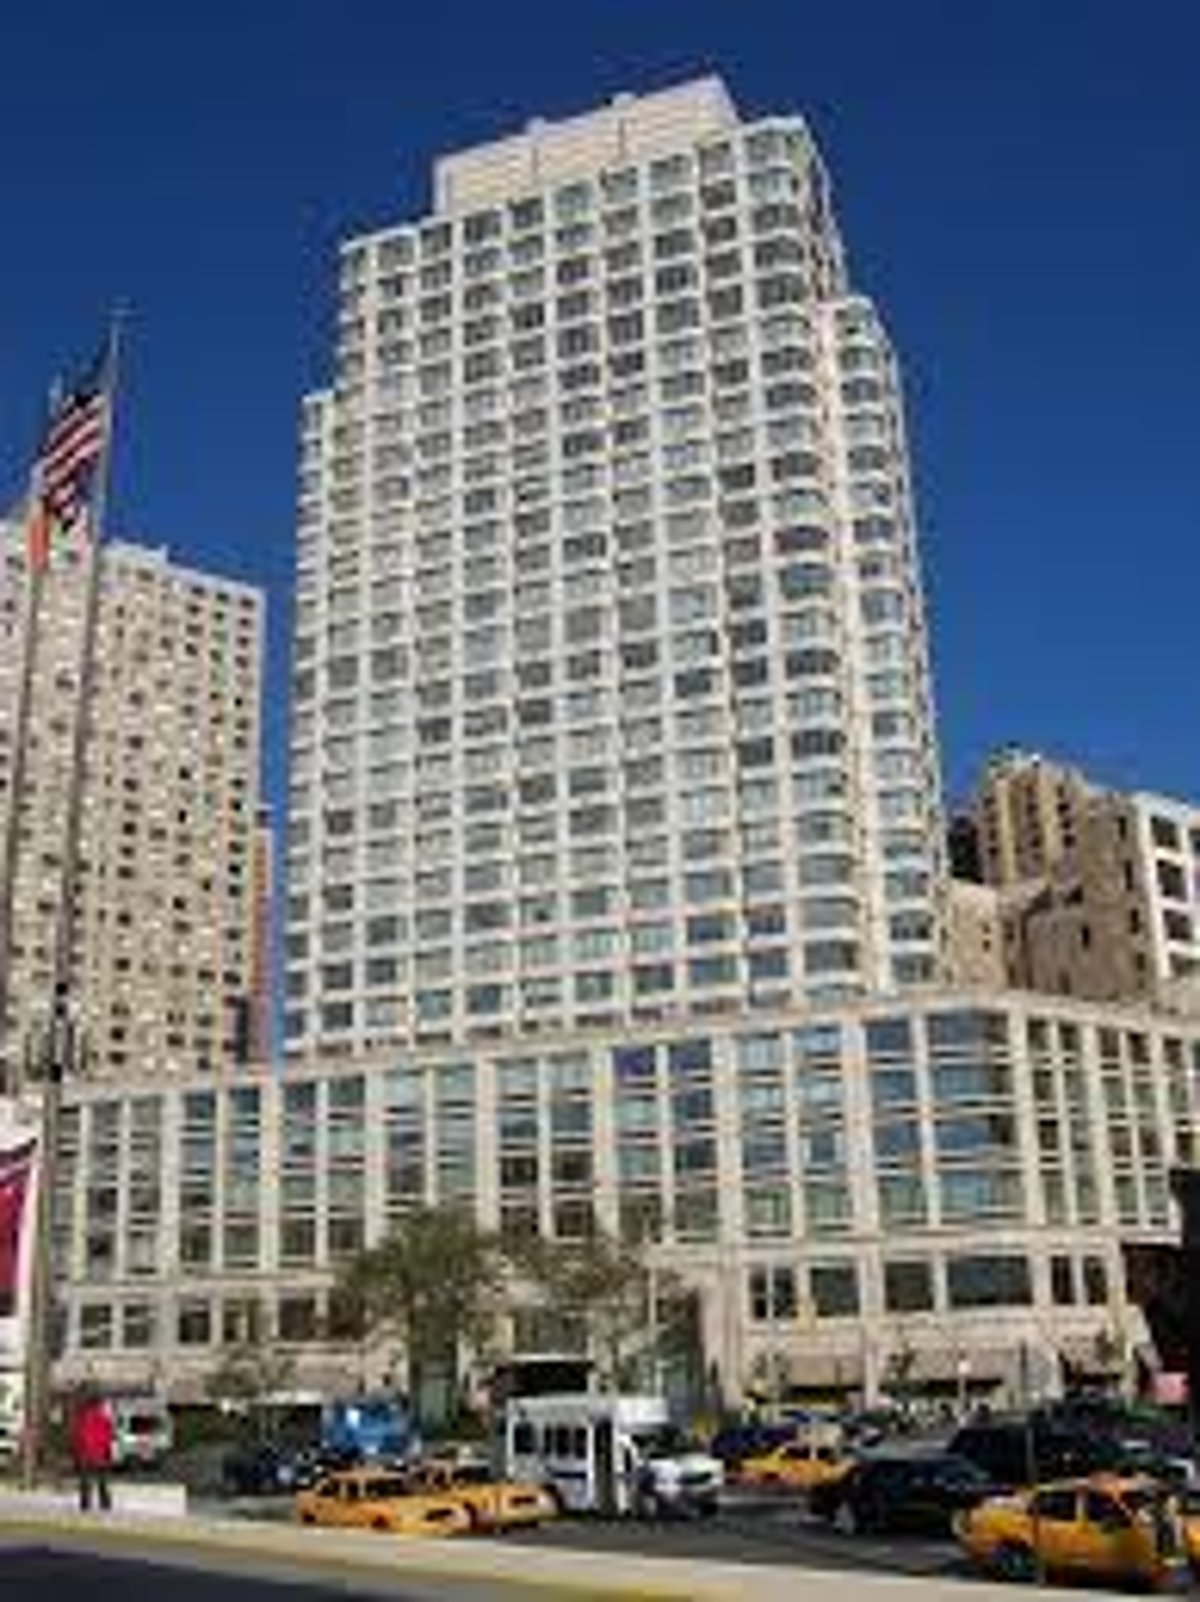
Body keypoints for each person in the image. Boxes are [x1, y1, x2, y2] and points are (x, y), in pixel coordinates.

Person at [70, 1390, 115, 1512]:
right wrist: (107, 1451)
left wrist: (77, 1451)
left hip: (86, 1453)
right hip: (100, 1453)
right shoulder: (104, 1417)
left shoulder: (83, 1417)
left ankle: (85, 1503)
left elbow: (78, 1435)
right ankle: (105, 1503)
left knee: (85, 1480)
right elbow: (109, 1435)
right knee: (102, 1480)